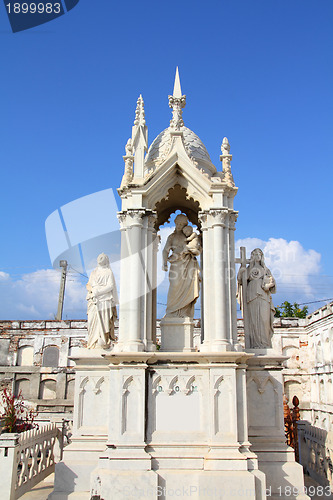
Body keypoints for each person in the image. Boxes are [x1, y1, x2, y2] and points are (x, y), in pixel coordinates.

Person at [162, 214, 201, 318]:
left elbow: (197, 248)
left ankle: (184, 312)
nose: (179, 225)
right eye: (177, 223)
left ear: (185, 225)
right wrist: (164, 263)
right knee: (174, 286)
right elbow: (165, 250)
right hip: (176, 264)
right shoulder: (172, 237)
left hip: (188, 264)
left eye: (181, 224)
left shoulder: (188, 235)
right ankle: (171, 312)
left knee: (188, 286)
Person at [237, 248, 276, 348]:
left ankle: (265, 343)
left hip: (264, 296)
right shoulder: (249, 268)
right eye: (255, 253)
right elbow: (241, 280)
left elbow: (272, 283)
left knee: (264, 319)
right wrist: (241, 271)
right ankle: (254, 344)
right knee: (253, 320)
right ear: (252, 256)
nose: (258, 255)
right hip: (252, 295)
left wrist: (268, 285)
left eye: (260, 253)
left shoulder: (265, 269)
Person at [86, 253, 118, 349]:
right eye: (99, 256)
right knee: (91, 321)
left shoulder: (108, 272)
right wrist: (93, 291)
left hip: (105, 300)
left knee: (104, 322)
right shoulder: (94, 272)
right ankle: (93, 342)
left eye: (103, 257)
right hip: (94, 299)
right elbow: (89, 284)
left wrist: (99, 292)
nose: (100, 257)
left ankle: (103, 341)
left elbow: (111, 286)